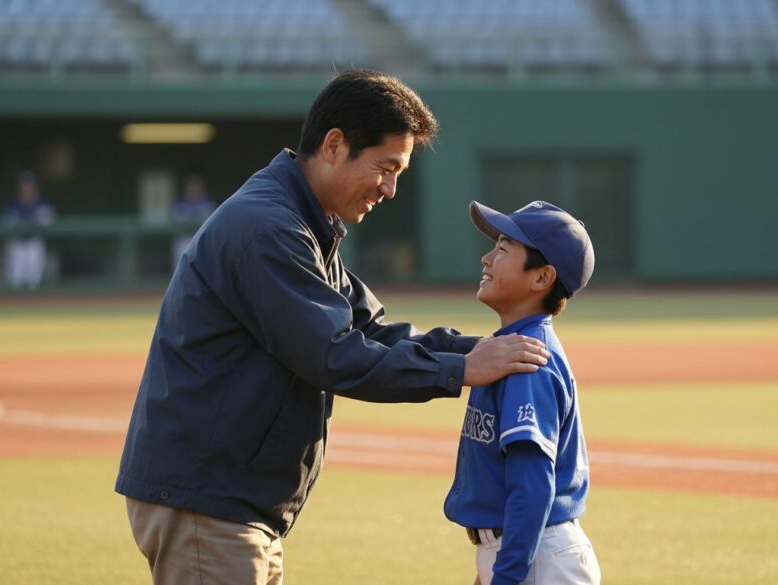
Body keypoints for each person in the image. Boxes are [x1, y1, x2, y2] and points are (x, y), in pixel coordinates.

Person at [115, 69, 551, 585]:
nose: (390, 189)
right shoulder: (270, 228)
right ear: (335, 145)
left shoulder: (300, 221)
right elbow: (336, 354)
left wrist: (484, 347)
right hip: (209, 503)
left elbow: (372, 329)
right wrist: (460, 369)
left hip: (230, 502)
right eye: (386, 168)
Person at [444, 200, 601, 585]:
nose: (486, 258)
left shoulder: (527, 360)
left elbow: (532, 487)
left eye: (501, 249)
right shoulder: (510, 348)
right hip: (528, 552)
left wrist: (507, 575)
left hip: (539, 557)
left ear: (541, 277)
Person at [2, 171, 54, 288]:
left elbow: (47, 221)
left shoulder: (41, 203)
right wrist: (32, 221)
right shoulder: (12, 204)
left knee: (34, 280)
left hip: (34, 244)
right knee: (15, 281)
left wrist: (28, 222)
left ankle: (33, 305)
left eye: (29, 188)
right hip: (16, 244)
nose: (26, 191)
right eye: (24, 188)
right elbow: (8, 223)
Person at [170, 173, 217, 265]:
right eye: (191, 187)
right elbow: (177, 222)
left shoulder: (208, 204)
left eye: (196, 187)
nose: (194, 190)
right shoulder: (180, 205)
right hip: (185, 241)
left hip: (203, 242)